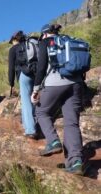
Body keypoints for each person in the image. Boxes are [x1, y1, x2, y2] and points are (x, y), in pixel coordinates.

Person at [31, 24, 84, 175]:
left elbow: (41, 68)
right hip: (76, 84)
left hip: (55, 83)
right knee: (71, 122)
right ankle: (75, 163)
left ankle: (53, 141)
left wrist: (35, 90)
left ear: (45, 34)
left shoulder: (46, 43)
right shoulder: (68, 40)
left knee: (41, 112)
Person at [8, 31, 37, 139]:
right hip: (37, 73)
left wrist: (11, 83)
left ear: (15, 39)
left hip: (24, 75)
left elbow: (11, 68)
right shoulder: (31, 45)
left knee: (26, 102)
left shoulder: (14, 49)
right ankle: (29, 125)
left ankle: (30, 130)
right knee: (35, 99)